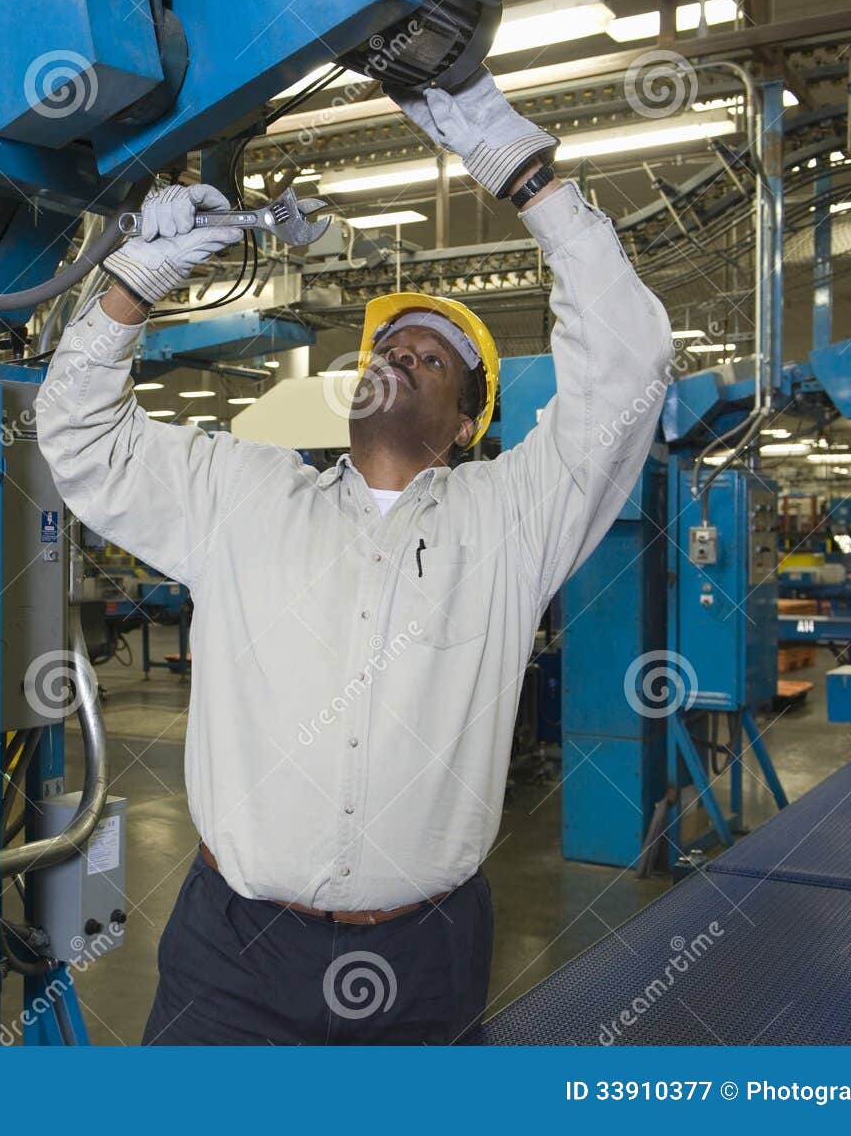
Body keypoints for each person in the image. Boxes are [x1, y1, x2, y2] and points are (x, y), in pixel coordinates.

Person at [37, 73, 672, 1044]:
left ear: (465, 424)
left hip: (424, 959)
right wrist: (130, 290)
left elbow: (626, 369)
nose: (399, 358)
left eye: (430, 360)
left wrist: (530, 179)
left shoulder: (512, 520)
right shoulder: (242, 494)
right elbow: (82, 441)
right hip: (231, 954)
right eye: (387, 348)